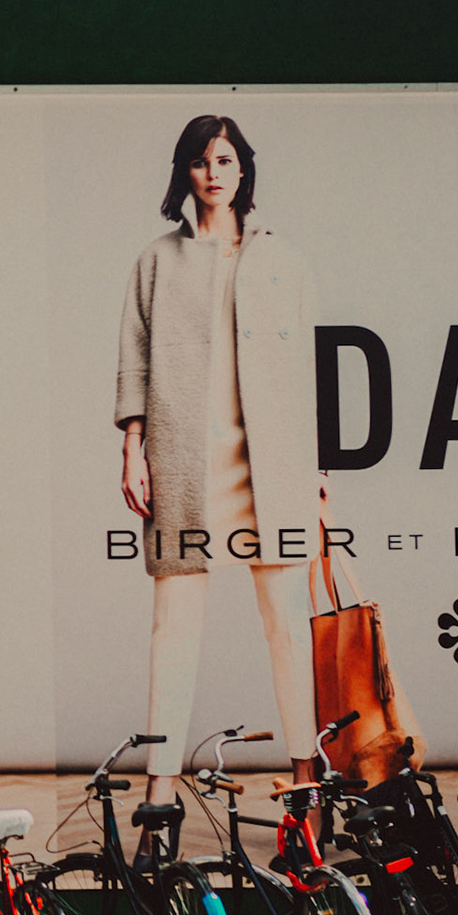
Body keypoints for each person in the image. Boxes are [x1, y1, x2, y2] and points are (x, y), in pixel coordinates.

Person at [115, 115, 323, 854]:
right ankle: (159, 797)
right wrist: (133, 449)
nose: (214, 171)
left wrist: (317, 475)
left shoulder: (283, 261)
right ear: (186, 171)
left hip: (274, 468)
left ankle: (306, 789)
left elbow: (307, 381)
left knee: (289, 628)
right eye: (201, 160)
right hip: (183, 463)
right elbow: (135, 359)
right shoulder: (156, 260)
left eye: (226, 158)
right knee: (173, 631)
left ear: (244, 170)